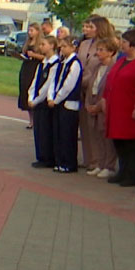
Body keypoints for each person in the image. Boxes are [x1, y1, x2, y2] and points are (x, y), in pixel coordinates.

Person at [103, 30, 135, 187]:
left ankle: (134, 175)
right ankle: (123, 171)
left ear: (134, 44)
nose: (121, 44)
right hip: (116, 108)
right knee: (120, 142)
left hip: (130, 109)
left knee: (133, 145)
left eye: (124, 41)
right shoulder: (121, 61)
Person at [77, 15, 118, 177]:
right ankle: (91, 160)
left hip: (98, 87)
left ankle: (106, 162)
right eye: (85, 27)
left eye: (90, 27)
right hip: (82, 88)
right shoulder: (84, 44)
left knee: (101, 127)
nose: (86, 30)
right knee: (87, 127)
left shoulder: (109, 45)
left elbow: (107, 68)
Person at [48, 37, 82, 173]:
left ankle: (69, 162)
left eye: (65, 46)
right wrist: (52, 96)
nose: (61, 49)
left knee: (68, 134)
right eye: (61, 47)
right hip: (59, 102)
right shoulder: (62, 62)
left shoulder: (75, 64)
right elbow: (55, 81)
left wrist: (56, 99)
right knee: (59, 133)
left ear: (73, 47)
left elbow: (68, 85)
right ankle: (60, 160)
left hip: (69, 103)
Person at [28, 36, 59, 168]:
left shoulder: (55, 63)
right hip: (37, 100)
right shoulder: (43, 63)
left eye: (43, 44)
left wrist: (37, 99)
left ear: (52, 45)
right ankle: (40, 155)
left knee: (46, 129)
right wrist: (30, 96)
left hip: (45, 101)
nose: (41, 47)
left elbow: (48, 84)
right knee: (38, 129)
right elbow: (35, 81)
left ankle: (48, 157)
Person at [17, 24, 45, 129]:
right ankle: (31, 120)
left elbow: (45, 57)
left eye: (32, 30)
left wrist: (34, 55)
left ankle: (37, 119)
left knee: (34, 91)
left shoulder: (41, 42)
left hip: (35, 68)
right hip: (26, 67)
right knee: (25, 90)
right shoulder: (28, 42)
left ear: (38, 31)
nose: (30, 32)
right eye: (29, 30)